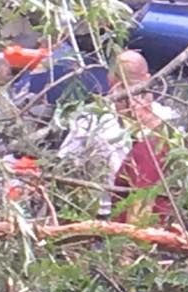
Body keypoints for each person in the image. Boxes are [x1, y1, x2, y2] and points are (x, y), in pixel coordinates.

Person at [60, 50, 180, 227]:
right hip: (100, 214)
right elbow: (66, 165)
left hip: (150, 216)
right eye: (124, 83)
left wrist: (148, 123)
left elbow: (179, 167)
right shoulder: (91, 117)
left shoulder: (165, 119)